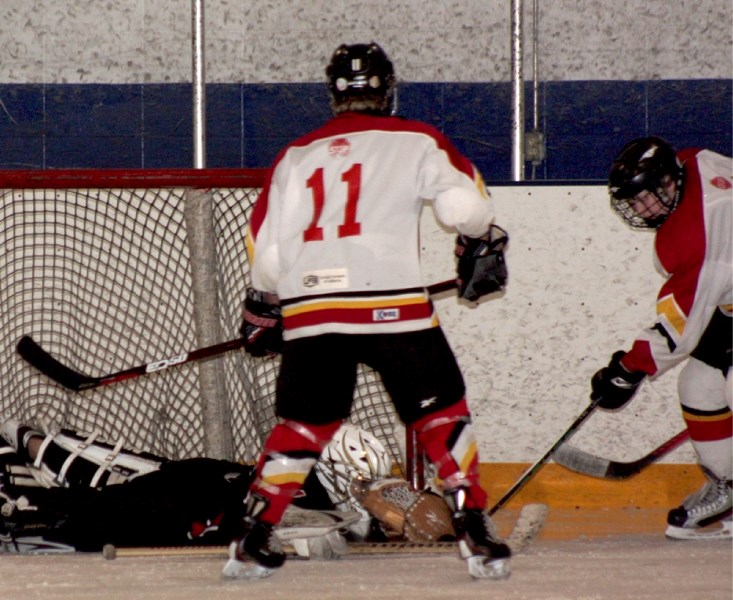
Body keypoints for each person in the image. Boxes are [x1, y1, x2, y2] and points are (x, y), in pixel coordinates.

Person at [228, 41, 511, 581]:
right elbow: (464, 209)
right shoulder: (417, 139)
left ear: (333, 94)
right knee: (440, 413)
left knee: (304, 426)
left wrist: (265, 309)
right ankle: (473, 526)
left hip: (312, 308)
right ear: (388, 88)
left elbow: (267, 259)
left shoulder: (295, 155)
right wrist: (483, 237)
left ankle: (255, 533)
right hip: (392, 305)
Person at [591, 136, 732, 540]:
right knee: (700, 386)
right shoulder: (693, 161)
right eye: (631, 201)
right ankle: (729, 487)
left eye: (642, 198)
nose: (637, 210)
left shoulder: (699, 233)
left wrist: (627, 370)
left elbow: (679, 332)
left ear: (669, 184)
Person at [0, 418, 405, 555]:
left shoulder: (309, 490)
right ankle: (23, 495)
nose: (366, 490)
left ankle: (29, 453)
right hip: (193, 492)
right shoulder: (302, 496)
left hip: (200, 483)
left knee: (111, 496)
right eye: (360, 479)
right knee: (106, 506)